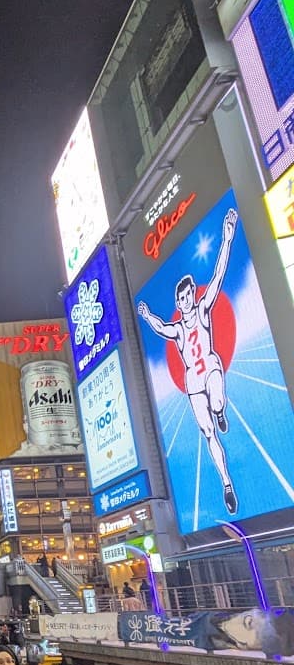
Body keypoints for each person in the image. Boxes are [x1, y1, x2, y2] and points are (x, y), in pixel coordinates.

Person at [137, 207, 237, 515]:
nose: (186, 300)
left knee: (218, 401)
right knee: (209, 433)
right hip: (193, 379)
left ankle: (220, 410)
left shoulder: (204, 308)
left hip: (210, 366)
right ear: (178, 302)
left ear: (193, 294)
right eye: (181, 298)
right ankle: (227, 484)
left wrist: (227, 238)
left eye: (189, 294)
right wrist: (146, 315)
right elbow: (161, 328)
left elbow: (219, 274)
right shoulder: (179, 328)